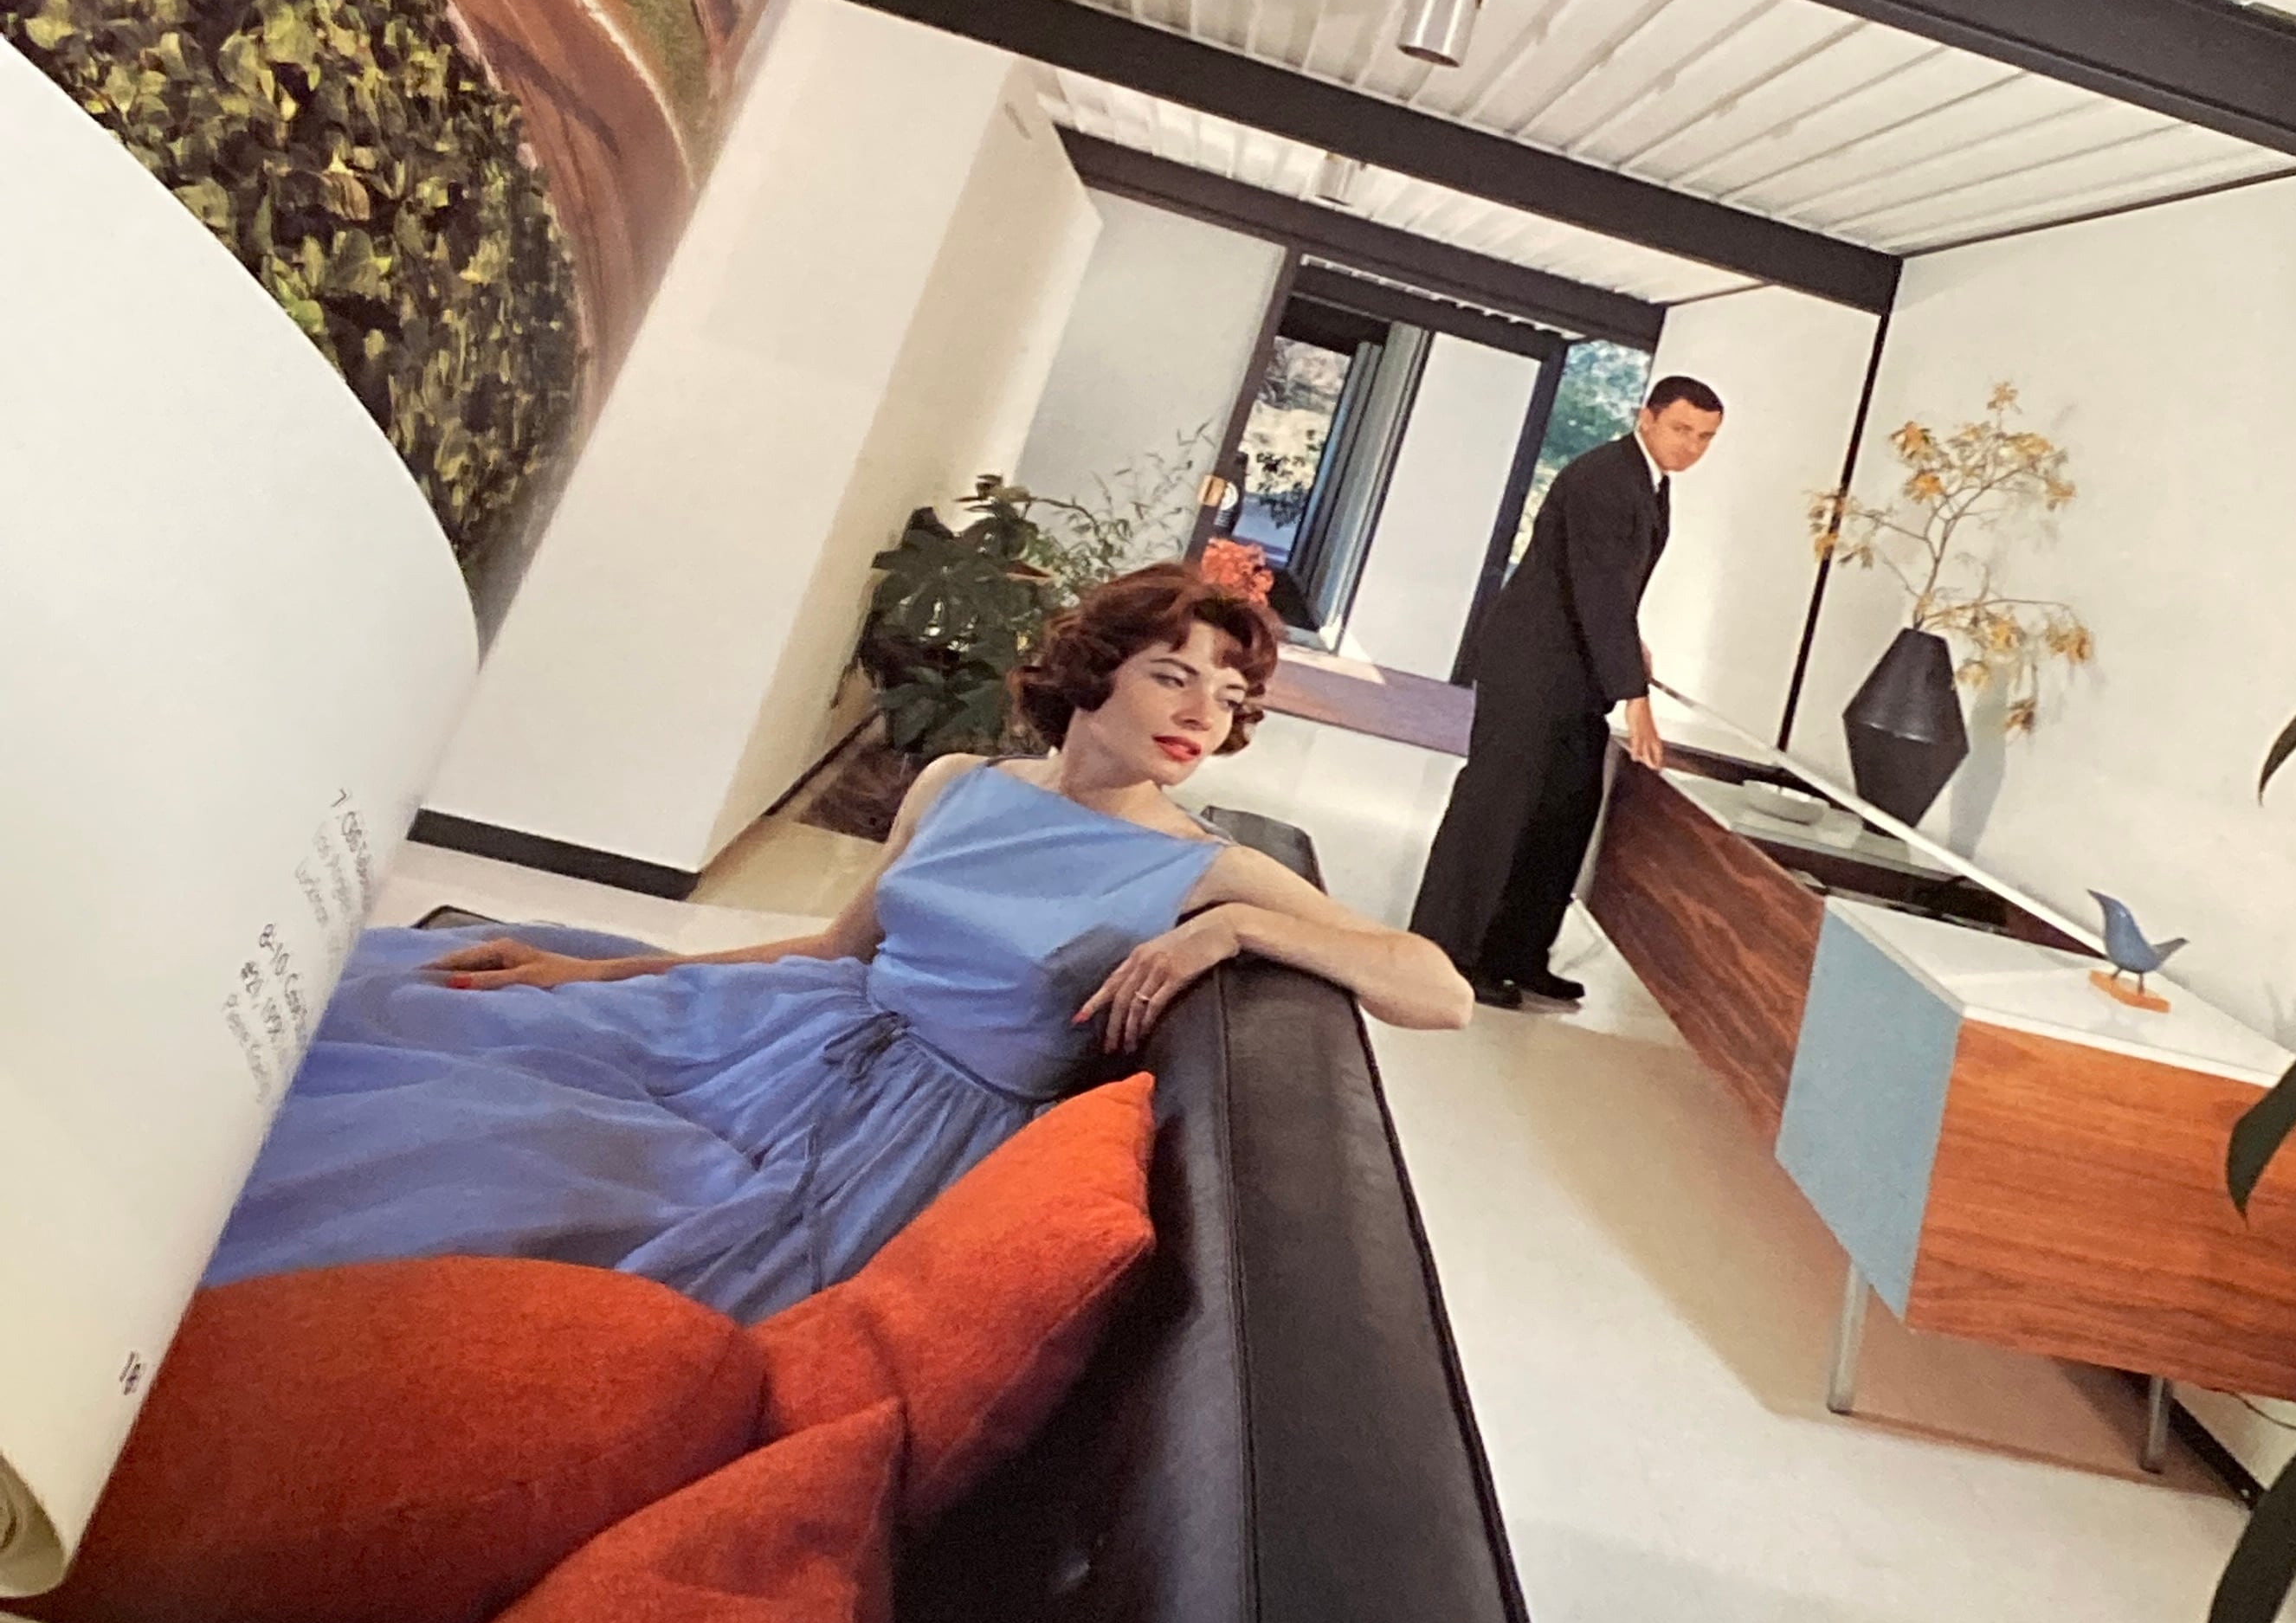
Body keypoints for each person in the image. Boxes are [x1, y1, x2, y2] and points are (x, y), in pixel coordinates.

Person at [203, 565, 1472, 1323]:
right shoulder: (963, 781)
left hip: (909, 1135)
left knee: (529, 1189)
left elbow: (1439, 991)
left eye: (1232, 698)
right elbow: (830, 950)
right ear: (1095, 670)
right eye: (1172, 675)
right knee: (455, 1022)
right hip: (789, 1038)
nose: (1204, 715)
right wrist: (595, 971)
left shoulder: (1204, 865)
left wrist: (1241, 926)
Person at [1409, 375, 1724, 1009]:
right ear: (1646, 417)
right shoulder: (1605, 477)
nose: (1691, 446)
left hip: (1572, 673)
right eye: (1681, 429)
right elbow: (1599, 589)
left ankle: (1518, 953)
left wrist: (1629, 646)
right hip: (1532, 665)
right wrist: (1635, 697)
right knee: (1497, 808)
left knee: (1564, 812)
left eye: (1705, 438)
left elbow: (1608, 588)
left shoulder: (1650, 483)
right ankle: (1447, 954)